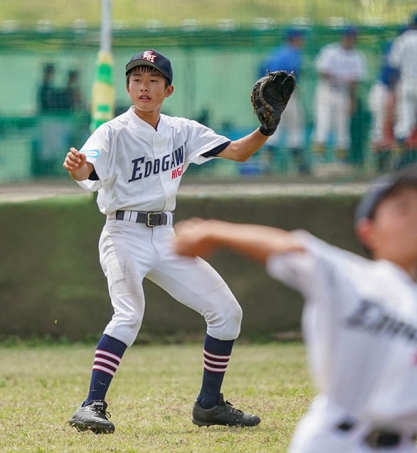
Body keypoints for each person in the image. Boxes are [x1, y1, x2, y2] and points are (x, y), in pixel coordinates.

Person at [63, 49, 277, 434]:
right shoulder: (112, 131)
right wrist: (80, 168)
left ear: (169, 89)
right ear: (127, 87)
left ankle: (209, 405)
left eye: (153, 80)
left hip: (166, 236)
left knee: (227, 313)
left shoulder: (183, 130)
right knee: (129, 314)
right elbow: (87, 168)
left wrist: (265, 129)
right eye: (136, 80)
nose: (143, 86)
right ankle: (91, 405)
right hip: (123, 233)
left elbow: (238, 152)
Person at [173, 165, 417, 452]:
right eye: (403, 209)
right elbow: (294, 247)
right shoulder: (354, 278)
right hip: (337, 441)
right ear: (368, 231)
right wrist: (212, 231)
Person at [311, 27, 366, 174]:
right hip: (327, 91)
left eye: (353, 37)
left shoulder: (357, 56)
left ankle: (341, 160)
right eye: (348, 36)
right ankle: (319, 159)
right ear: (343, 37)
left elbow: (356, 81)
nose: (350, 39)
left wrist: (352, 100)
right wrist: (341, 77)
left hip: (343, 93)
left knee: (342, 128)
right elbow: (322, 72)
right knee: (323, 124)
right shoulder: (330, 51)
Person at [259, 28, 308, 175]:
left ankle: (266, 164)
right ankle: (301, 166)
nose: (302, 41)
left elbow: (261, 71)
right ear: (294, 38)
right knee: (295, 129)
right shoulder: (293, 53)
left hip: (269, 96)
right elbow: (294, 72)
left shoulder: (274, 53)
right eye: (300, 38)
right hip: (287, 95)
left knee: (273, 129)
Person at [368, 32, 402, 172]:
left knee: (397, 125)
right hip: (384, 89)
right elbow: (390, 73)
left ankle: (396, 161)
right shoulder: (394, 45)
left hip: (396, 89)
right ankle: (381, 162)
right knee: (380, 126)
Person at [389, 12, 417, 169]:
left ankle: (400, 160)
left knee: (405, 123)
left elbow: (393, 63)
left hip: (407, 83)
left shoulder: (403, 39)